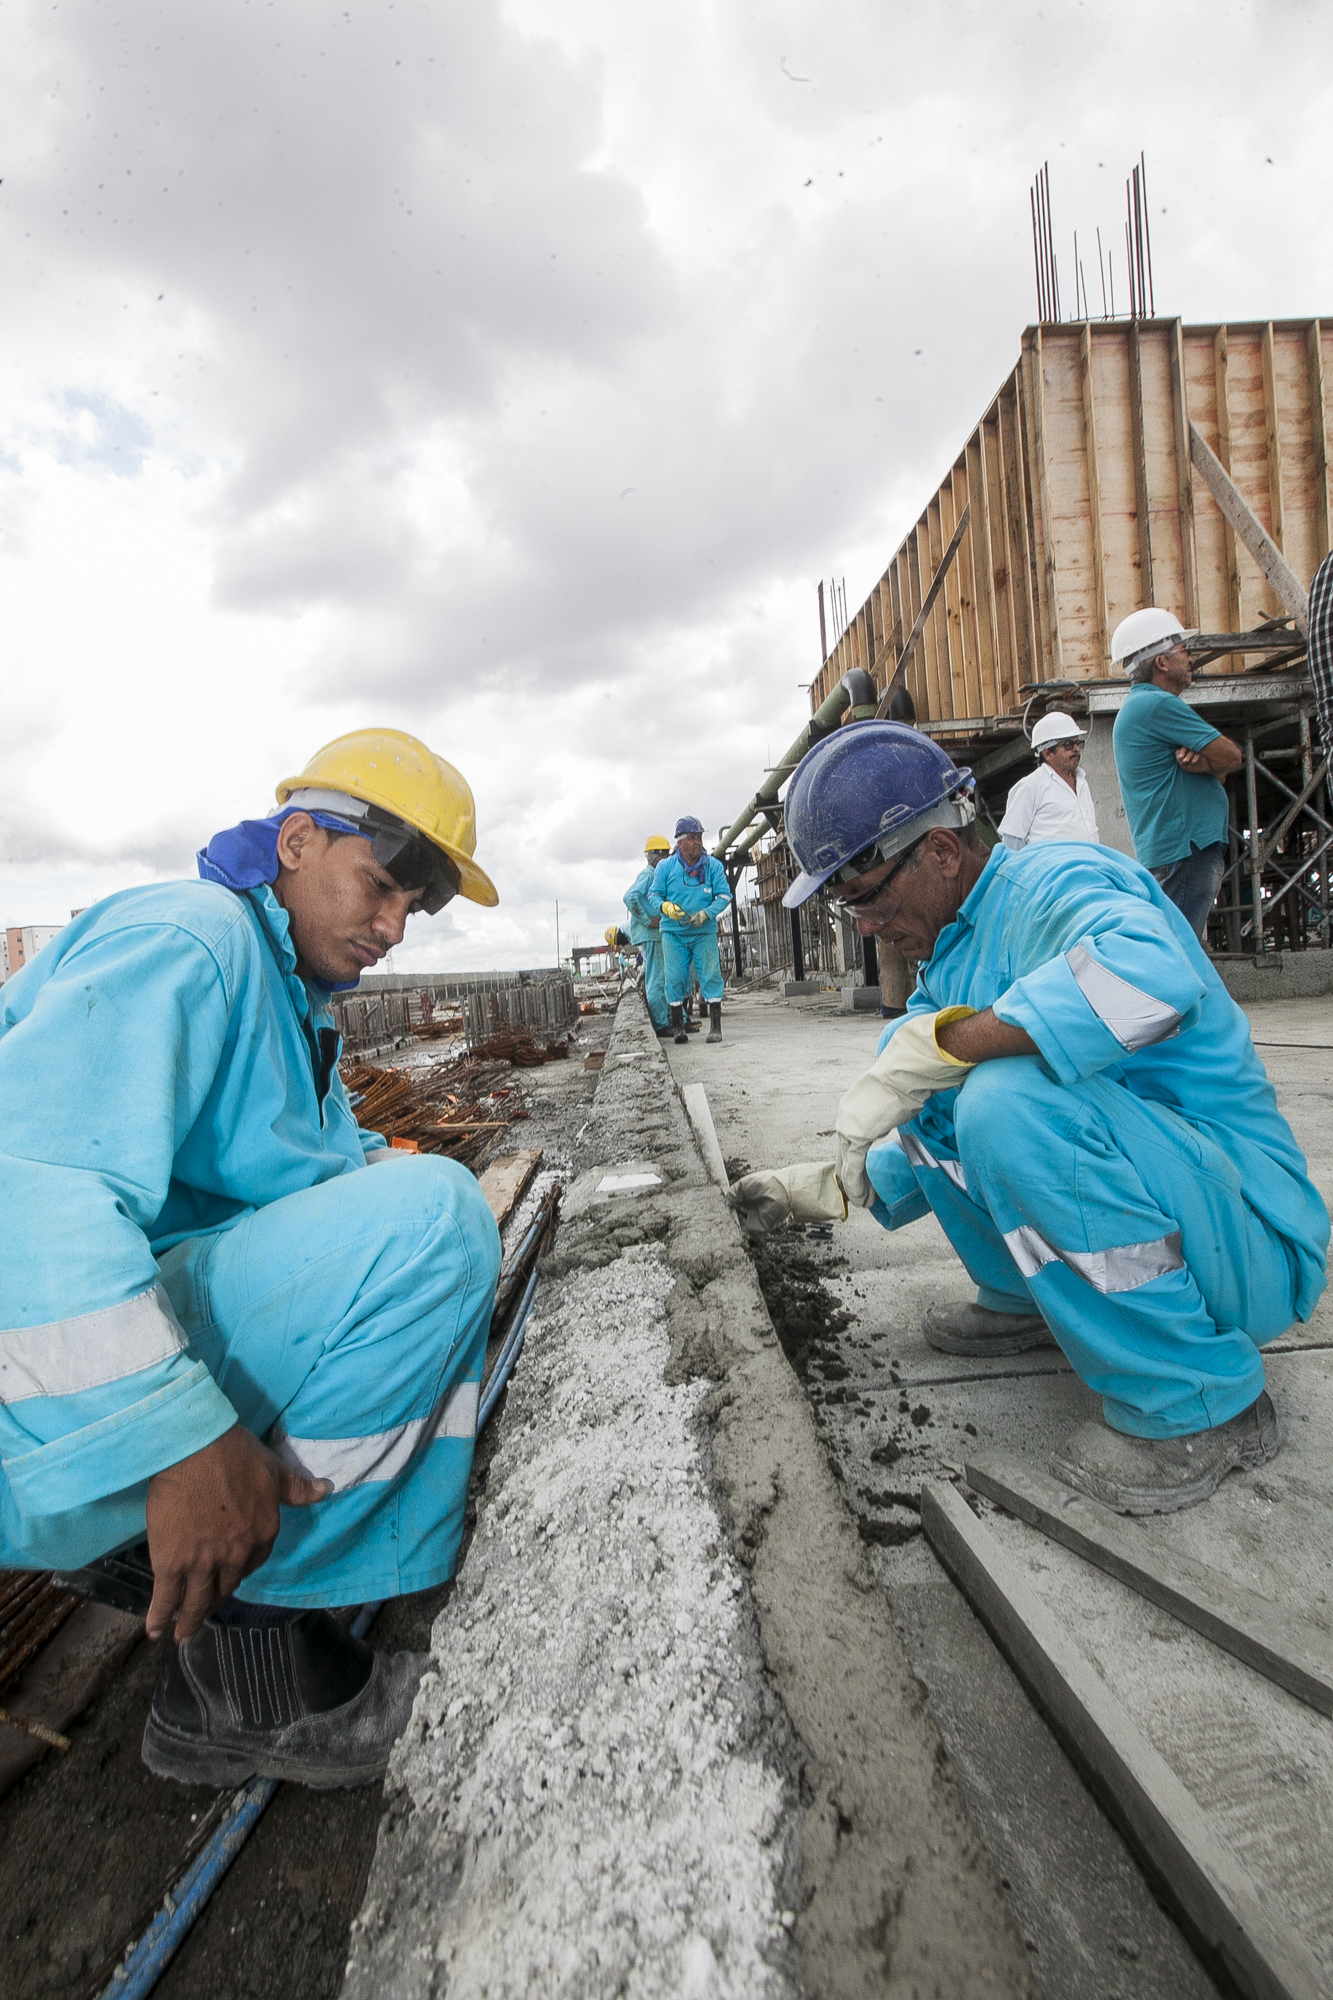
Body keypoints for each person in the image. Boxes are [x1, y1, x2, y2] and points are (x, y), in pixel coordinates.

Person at [0, 729, 503, 1788]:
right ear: (296, 840)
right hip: (41, 1391)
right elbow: (31, 1192)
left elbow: (300, 1172)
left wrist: (378, 1163)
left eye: (414, 909)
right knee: (434, 1221)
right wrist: (183, 1439)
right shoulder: (192, 939)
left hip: (64, 1387)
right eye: (381, 887)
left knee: (413, 1197)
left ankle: (246, 1596)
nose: (392, 927)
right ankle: (249, 1666)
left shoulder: (286, 993)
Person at [729, 721, 1327, 1515]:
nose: (864, 924)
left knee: (997, 1095)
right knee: (932, 1077)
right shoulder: (955, 954)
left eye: (865, 896)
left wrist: (948, 1045)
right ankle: (1025, 1300)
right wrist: (835, 1185)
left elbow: (1152, 984)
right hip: (1186, 1208)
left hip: (1248, 1238)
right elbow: (934, 1116)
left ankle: (1200, 1399)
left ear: (940, 851)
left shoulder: (1057, 880)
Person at [1111, 608, 1242, 939]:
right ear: (1161, 662)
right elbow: (1232, 757)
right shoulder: (1157, 705)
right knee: (1178, 950)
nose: (1191, 659)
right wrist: (1213, 763)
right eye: (1184, 650)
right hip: (1184, 851)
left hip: (1178, 851)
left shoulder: (1143, 707)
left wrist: (1207, 766)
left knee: (1174, 945)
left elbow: (1221, 772)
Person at [653, 817, 732, 1045]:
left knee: (710, 974)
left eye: (699, 837)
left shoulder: (713, 866)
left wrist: (706, 913)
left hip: (703, 932)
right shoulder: (665, 868)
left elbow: (724, 895)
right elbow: (654, 895)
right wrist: (665, 907)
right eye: (692, 838)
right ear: (680, 843)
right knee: (675, 978)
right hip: (674, 933)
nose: (697, 842)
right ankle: (678, 1027)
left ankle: (715, 1028)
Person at [998, 712, 1099, 849]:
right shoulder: (1031, 786)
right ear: (1048, 753)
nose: (1076, 749)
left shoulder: (1082, 783)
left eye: (1077, 743)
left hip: (1089, 860)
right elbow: (1012, 840)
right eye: (1068, 745)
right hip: (1051, 863)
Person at [623, 835, 671, 1036]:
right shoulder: (648, 875)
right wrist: (647, 920)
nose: (668, 859)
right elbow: (630, 897)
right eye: (665, 855)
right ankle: (661, 1024)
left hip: (656, 934)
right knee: (657, 979)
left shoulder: (656, 875)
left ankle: (672, 1019)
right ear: (656, 856)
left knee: (664, 978)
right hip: (651, 934)